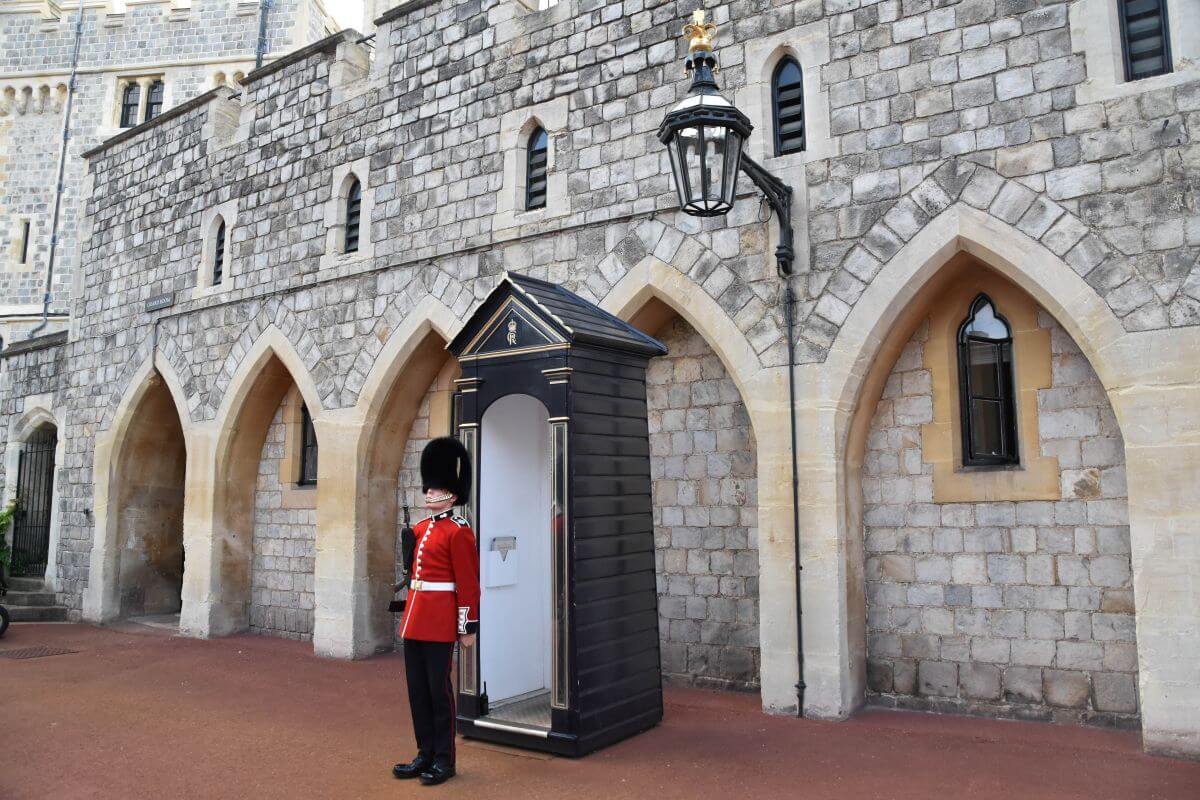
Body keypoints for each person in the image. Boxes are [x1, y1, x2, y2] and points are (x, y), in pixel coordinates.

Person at [392, 437, 480, 787]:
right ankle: (424, 752)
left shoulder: (459, 532)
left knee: (438, 692)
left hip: (441, 622)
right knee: (417, 692)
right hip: (414, 620)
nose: (429, 492)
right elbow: (414, 576)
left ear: (452, 494)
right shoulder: (420, 529)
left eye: (436, 488)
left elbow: (468, 584)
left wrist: (467, 626)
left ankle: (444, 759)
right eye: (428, 487)